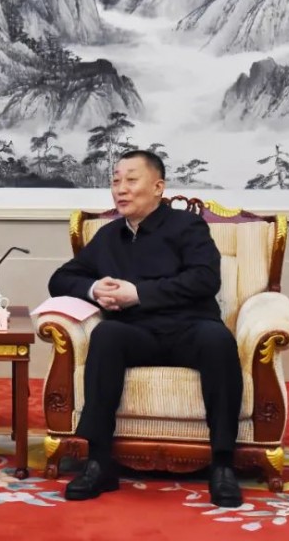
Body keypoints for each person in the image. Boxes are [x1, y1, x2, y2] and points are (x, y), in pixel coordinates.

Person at [48, 150, 243, 507]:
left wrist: (138, 293)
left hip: (190, 328)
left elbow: (204, 279)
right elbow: (60, 279)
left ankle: (223, 464)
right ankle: (99, 462)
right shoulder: (108, 236)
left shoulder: (187, 227)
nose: (120, 189)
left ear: (158, 187)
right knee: (106, 335)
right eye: (115, 181)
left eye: (131, 180)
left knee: (219, 340)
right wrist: (94, 289)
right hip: (135, 332)